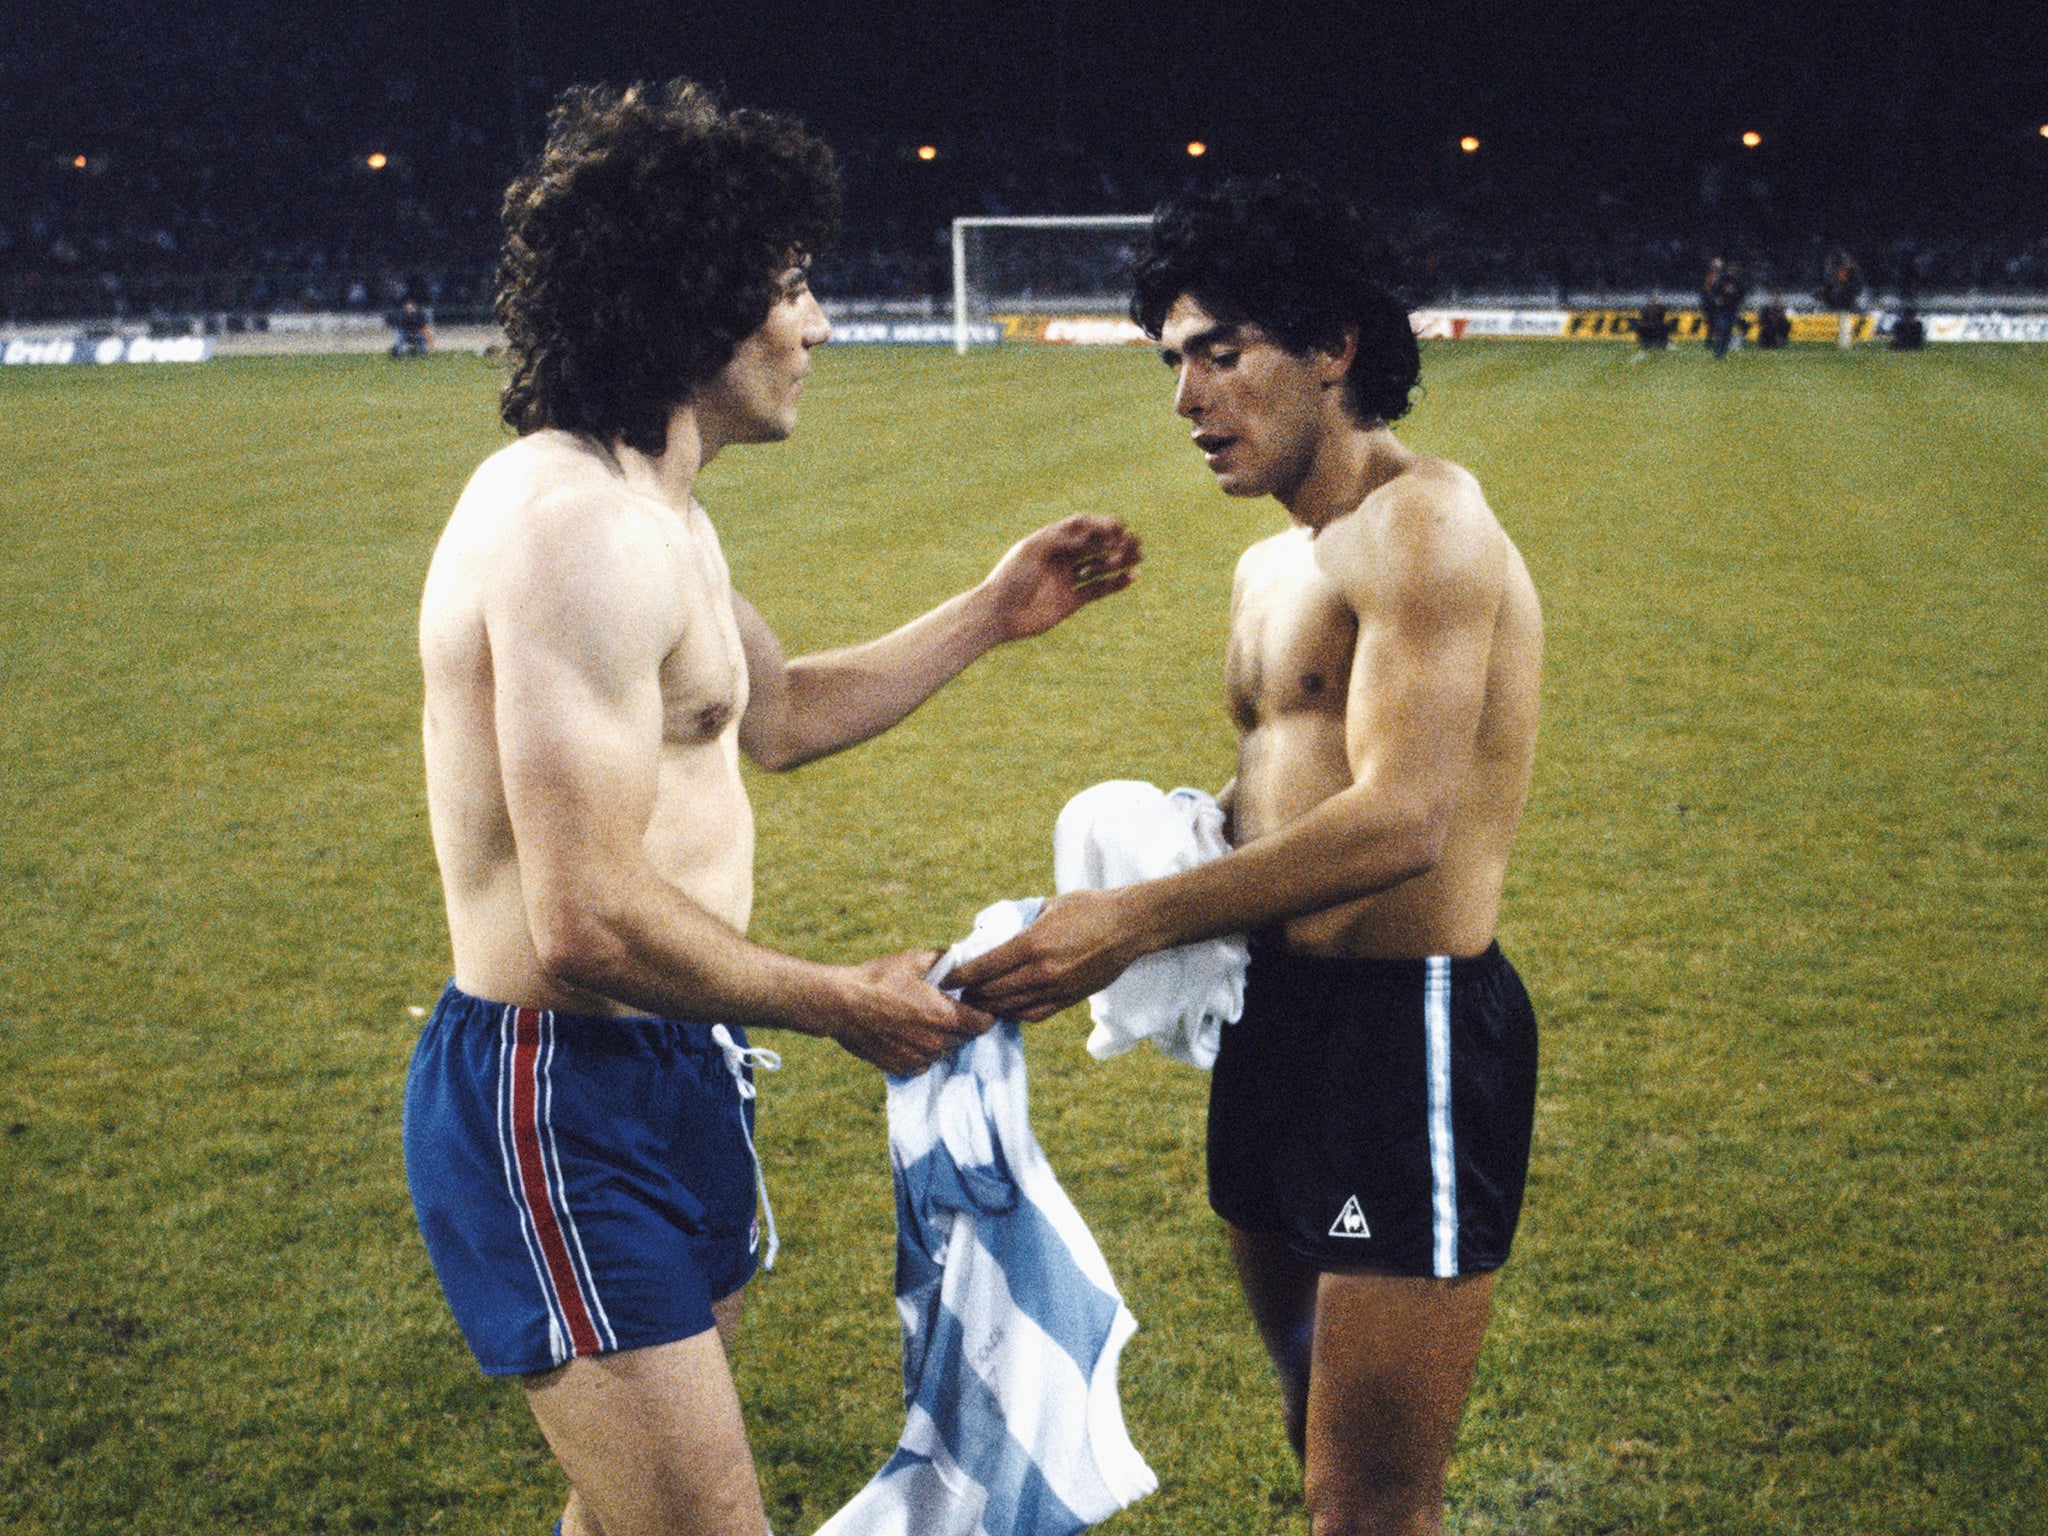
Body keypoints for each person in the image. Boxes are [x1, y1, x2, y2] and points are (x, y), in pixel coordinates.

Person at [404, 80, 1141, 1536]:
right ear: (696, 301)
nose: (816, 327)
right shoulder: (574, 531)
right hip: (559, 1088)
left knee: (622, 1518)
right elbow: (582, 919)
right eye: (793, 288)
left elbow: (779, 712)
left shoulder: (664, 512)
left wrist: (994, 612)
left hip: (675, 1072)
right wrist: (837, 1002)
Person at [952, 175, 1543, 1536]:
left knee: (1368, 1501)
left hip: (1411, 1043)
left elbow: (1404, 820)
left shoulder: (1425, 523)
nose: (1188, 397)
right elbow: (1286, 782)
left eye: (1222, 351)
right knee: (1307, 1423)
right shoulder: (1271, 565)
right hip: (1277, 1028)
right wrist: (1159, 843)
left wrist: (1137, 919)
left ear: (1333, 347)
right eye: (1173, 359)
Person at [1820, 249, 1864, 350]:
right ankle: (1844, 343)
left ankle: (1845, 343)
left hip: (1847, 299)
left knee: (1845, 320)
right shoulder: (1837, 273)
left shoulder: (1852, 274)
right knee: (1844, 320)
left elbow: (1856, 287)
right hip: (1843, 299)